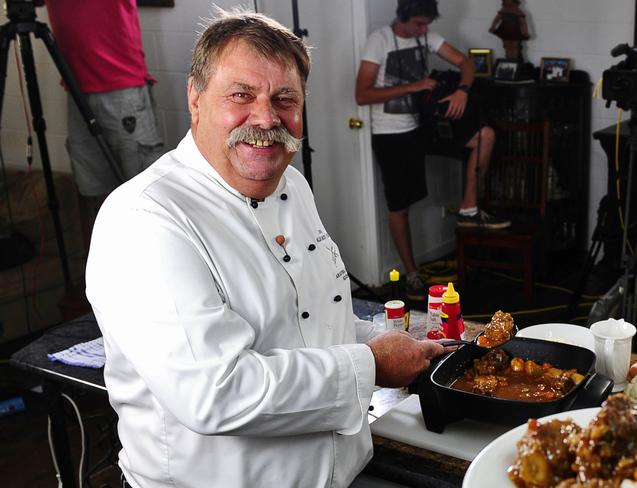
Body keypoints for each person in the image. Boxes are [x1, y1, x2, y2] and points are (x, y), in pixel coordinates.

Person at [86, 8, 450, 488]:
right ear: (195, 99)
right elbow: (218, 393)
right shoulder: (147, 218)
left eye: (285, 99)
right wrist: (373, 363)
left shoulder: (291, 184)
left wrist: (382, 340)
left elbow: (310, 320)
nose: (265, 117)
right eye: (241, 95)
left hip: (341, 474)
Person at [355, 0, 510, 300]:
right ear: (403, 17)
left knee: (485, 135)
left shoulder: (426, 36)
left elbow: (466, 63)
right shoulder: (380, 41)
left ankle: (468, 207)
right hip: (391, 133)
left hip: (422, 126)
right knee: (400, 206)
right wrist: (412, 87)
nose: (424, 30)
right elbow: (362, 94)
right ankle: (412, 274)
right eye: (418, 24)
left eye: (427, 24)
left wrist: (462, 91)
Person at [45, 0, 165, 250]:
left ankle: (153, 268)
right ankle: (105, 269)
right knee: (93, 189)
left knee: (143, 191)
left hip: (119, 83)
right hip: (76, 85)